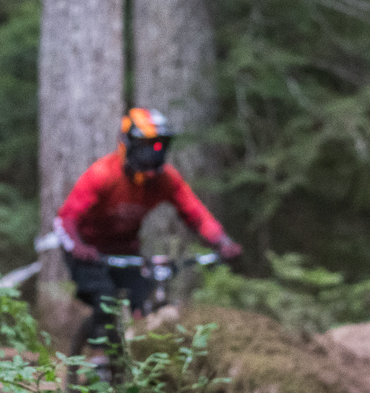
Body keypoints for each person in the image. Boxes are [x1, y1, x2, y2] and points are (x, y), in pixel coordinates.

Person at [53, 107, 242, 360]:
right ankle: (95, 364)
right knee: (105, 298)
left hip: (126, 252)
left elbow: (195, 213)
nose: (154, 153)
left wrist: (222, 242)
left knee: (145, 302)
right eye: (147, 146)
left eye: (160, 146)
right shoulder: (103, 174)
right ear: (127, 145)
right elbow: (66, 219)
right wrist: (77, 246)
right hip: (89, 251)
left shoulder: (165, 180)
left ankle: (140, 364)